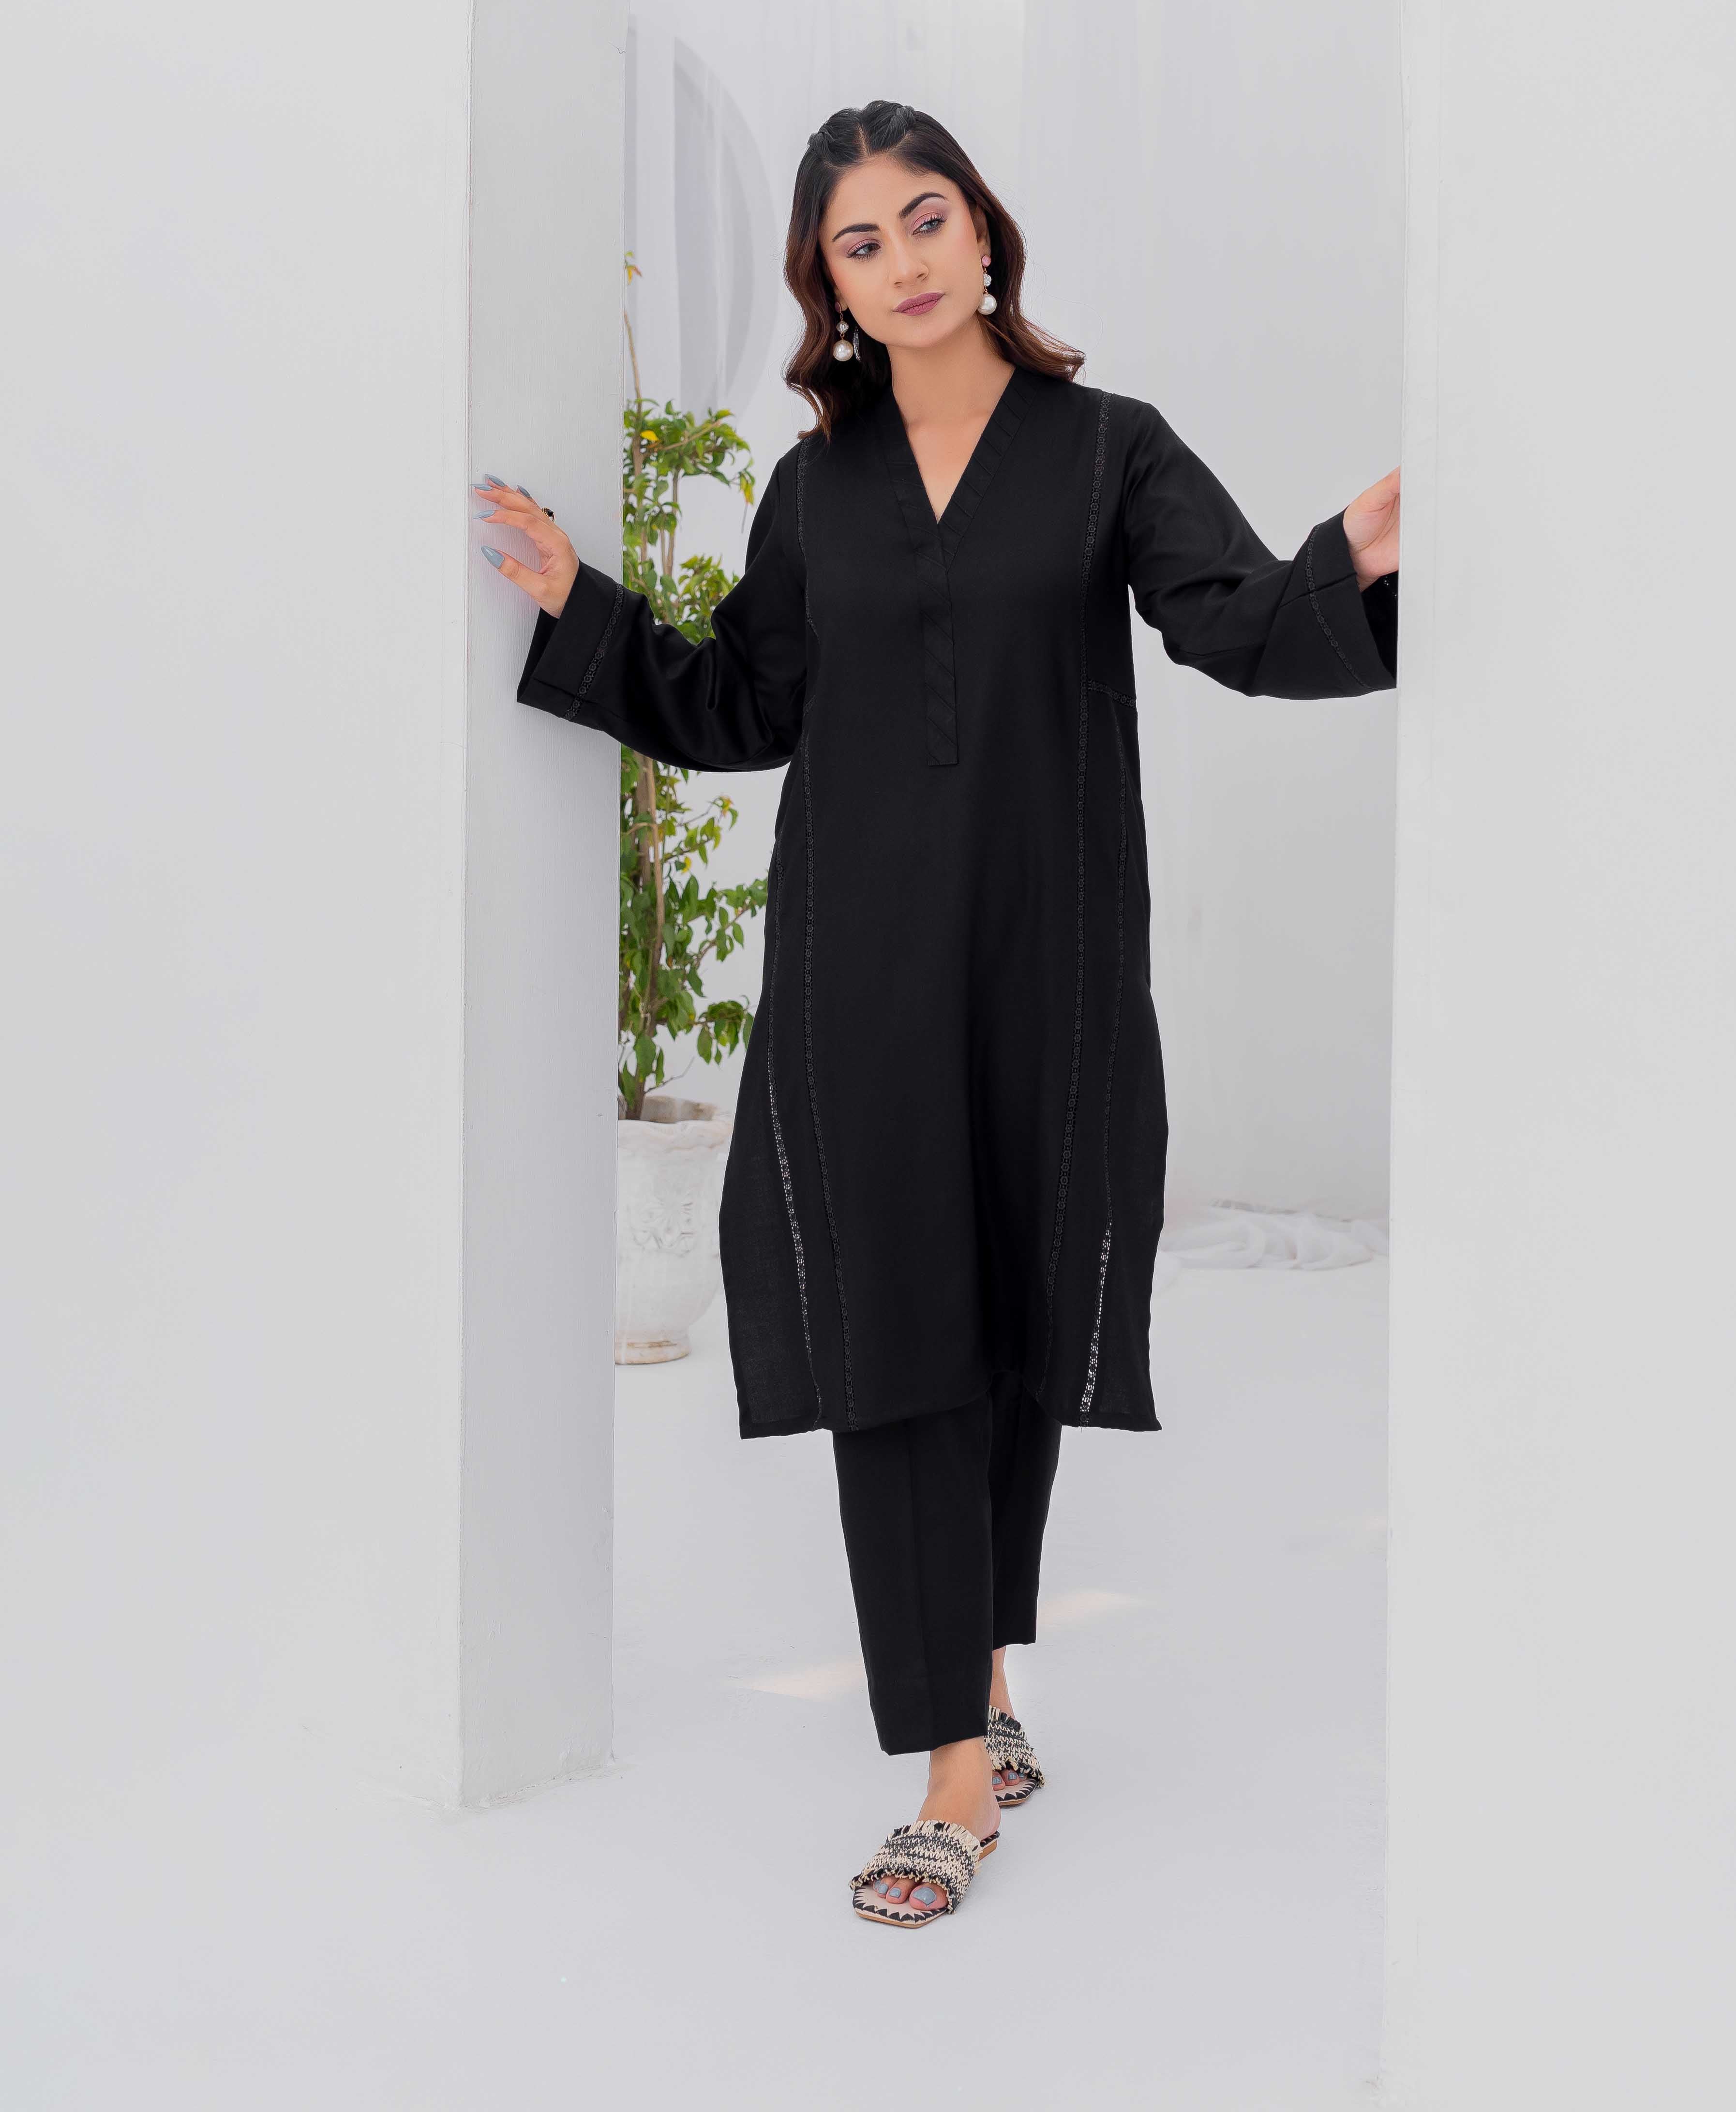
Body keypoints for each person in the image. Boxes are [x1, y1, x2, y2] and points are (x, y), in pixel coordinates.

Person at [475, 99, 1400, 1929]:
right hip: (861, 983)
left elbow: (1236, 621)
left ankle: (978, 1680)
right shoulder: (814, 489)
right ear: (826, 285)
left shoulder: (1111, 449)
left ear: (985, 234)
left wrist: (1352, 560)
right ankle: (953, 1773)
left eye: (925, 219)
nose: (900, 261)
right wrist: (586, 608)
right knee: (894, 1342)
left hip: (1051, 974)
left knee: (1014, 1331)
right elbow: (745, 706)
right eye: (859, 243)